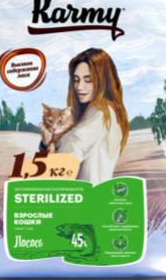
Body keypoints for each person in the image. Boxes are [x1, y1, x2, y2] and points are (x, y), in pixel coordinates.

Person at [41, 48, 129, 184]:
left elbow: (71, 151)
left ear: (103, 81)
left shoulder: (100, 112)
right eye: (76, 80)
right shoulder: (102, 111)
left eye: (88, 80)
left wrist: (48, 148)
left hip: (88, 193)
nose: (79, 87)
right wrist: (46, 145)